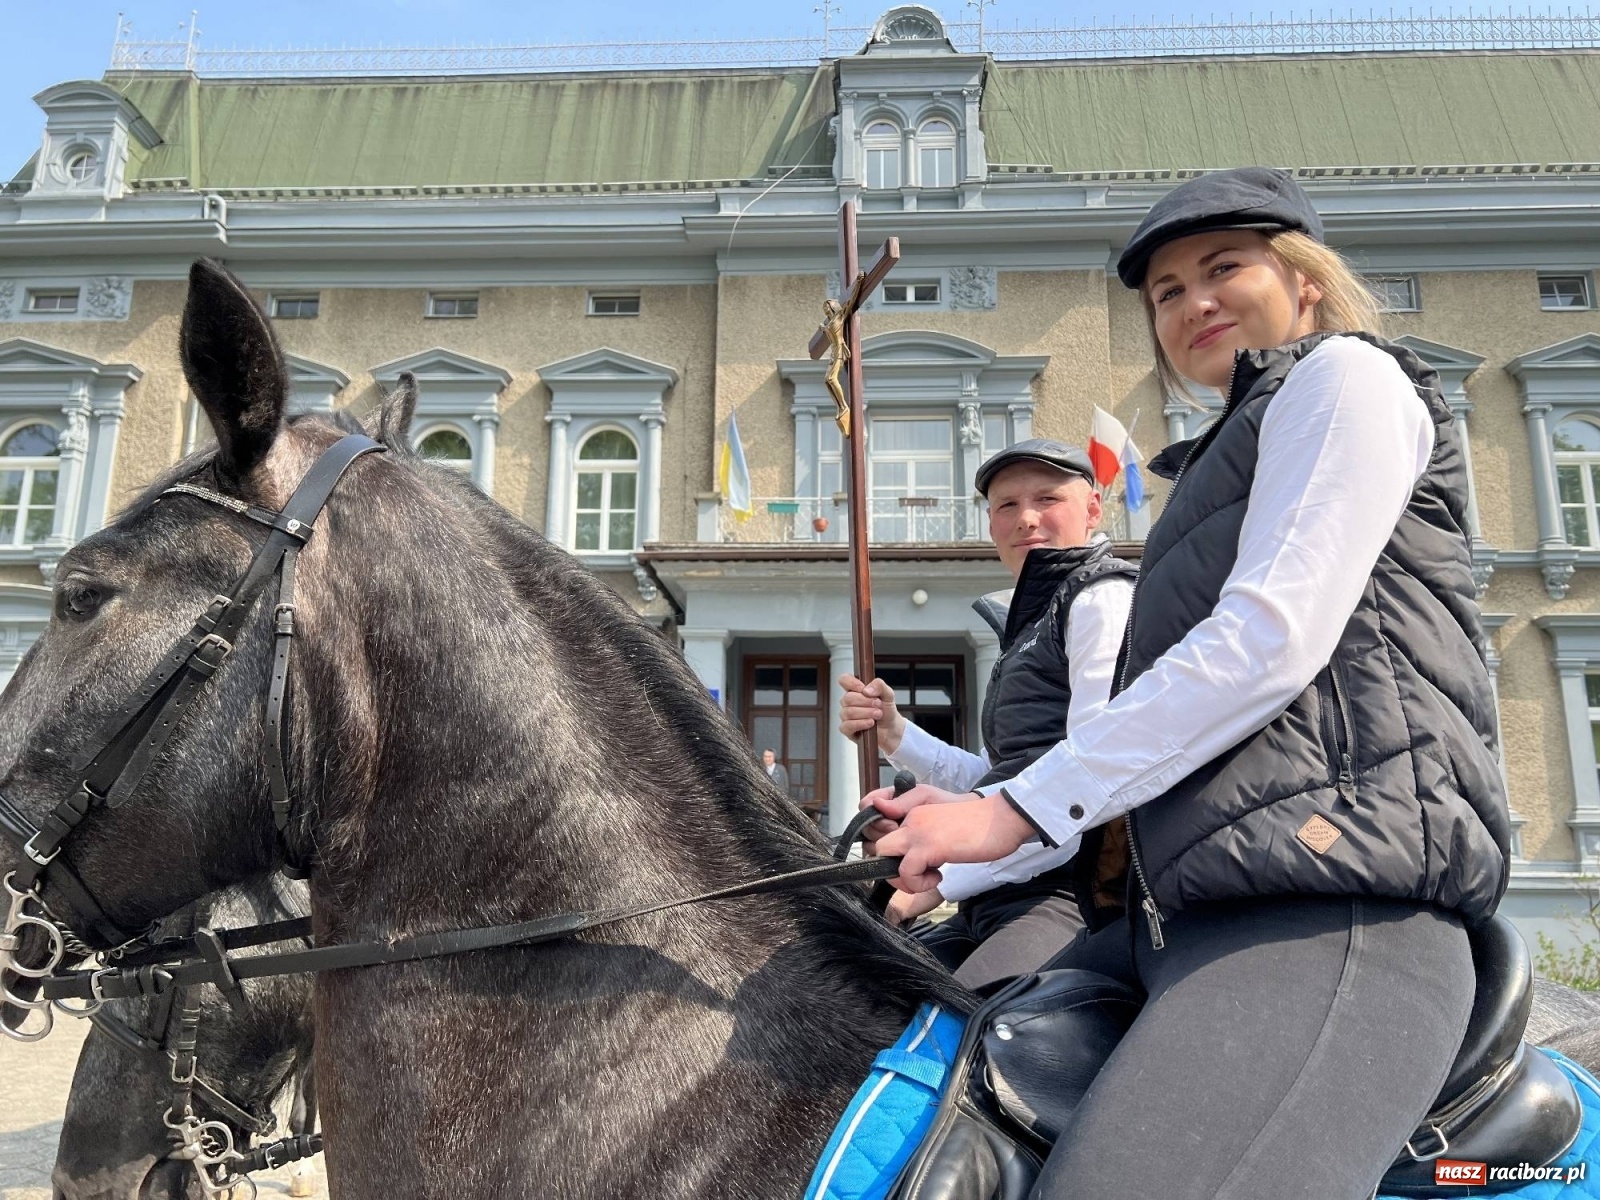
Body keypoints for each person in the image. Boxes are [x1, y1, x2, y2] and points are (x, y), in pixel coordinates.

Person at [863, 167, 1508, 1200]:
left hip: (1329, 908)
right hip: (1176, 920)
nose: (1191, 300)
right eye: (1165, 290)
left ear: (1302, 281)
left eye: (1222, 267)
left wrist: (1014, 812)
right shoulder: (1219, 461)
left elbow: (1269, 639)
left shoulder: (1344, 378)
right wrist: (973, 798)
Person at [838, 440, 1135, 989]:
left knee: (938, 1046)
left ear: (1094, 508)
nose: (1026, 518)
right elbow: (993, 778)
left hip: (1068, 894)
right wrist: (894, 732)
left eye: (1047, 498)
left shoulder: (1101, 601)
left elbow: (1094, 789)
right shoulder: (1031, 623)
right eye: (1006, 506)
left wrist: (938, 880)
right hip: (995, 895)